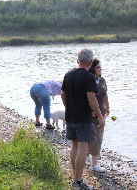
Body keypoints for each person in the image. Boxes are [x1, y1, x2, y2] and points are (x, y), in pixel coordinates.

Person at [61, 49, 104, 189]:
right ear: (90, 63)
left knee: (74, 146)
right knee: (83, 147)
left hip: (70, 116)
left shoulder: (68, 75)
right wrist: (99, 115)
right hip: (84, 118)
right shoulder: (88, 77)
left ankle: (75, 178)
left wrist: (68, 106)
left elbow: (62, 94)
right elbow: (92, 99)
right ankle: (78, 181)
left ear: (78, 60)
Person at [87, 59, 110, 172]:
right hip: (90, 113)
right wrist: (93, 110)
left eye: (101, 67)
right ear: (92, 68)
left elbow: (105, 94)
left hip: (101, 112)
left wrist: (108, 107)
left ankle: (94, 162)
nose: (100, 69)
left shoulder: (102, 80)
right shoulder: (89, 81)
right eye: (98, 67)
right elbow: (88, 97)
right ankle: (93, 163)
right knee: (91, 137)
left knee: (99, 137)